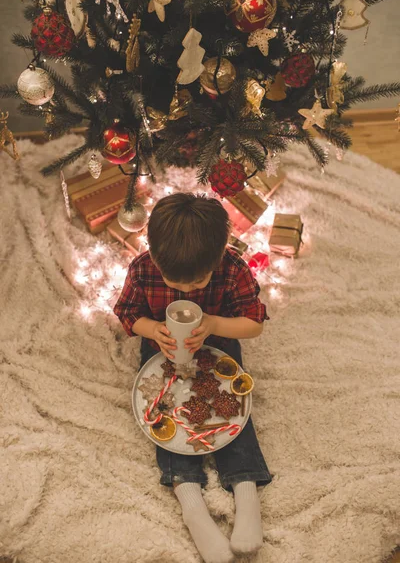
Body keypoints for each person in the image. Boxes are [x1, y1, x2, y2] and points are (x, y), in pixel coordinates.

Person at [114, 192, 272, 563]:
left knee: (231, 411)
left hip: (218, 342)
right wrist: (152, 329)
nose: (188, 291)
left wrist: (215, 323)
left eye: (198, 282)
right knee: (164, 416)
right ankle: (191, 500)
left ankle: (245, 486)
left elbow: (253, 324)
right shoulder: (141, 269)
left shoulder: (233, 268)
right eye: (177, 282)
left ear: (218, 257)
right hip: (161, 346)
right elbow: (126, 315)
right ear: (154, 255)